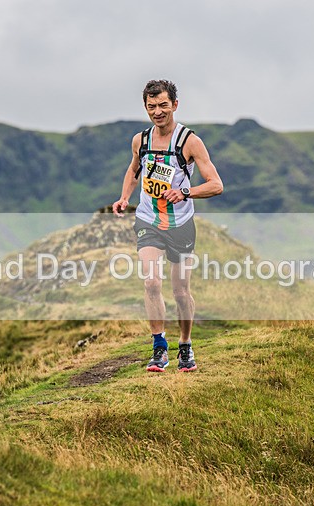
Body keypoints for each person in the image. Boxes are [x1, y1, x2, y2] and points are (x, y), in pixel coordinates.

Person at [112, 80, 224, 372]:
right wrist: (124, 197)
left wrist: (185, 191)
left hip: (180, 224)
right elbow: (133, 169)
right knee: (151, 282)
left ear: (175, 104)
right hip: (149, 220)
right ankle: (159, 347)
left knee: (180, 291)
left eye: (163, 105)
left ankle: (185, 344)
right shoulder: (141, 140)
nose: (158, 112)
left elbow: (216, 185)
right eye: (151, 106)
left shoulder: (189, 142)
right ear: (145, 108)